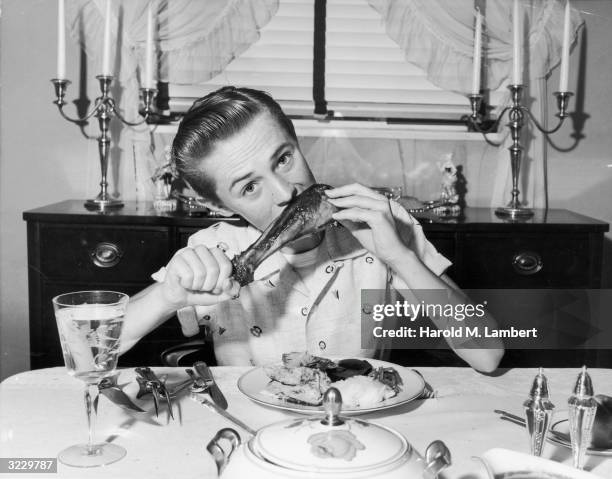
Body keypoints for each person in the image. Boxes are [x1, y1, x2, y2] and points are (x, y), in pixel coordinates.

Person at [121, 86, 504, 372]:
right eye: (249, 187)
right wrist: (168, 295)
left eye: (284, 159)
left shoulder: (383, 223)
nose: (286, 191)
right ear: (218, 205)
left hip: (358, 424)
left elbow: (487, 354)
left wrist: (400, 257)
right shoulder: (212, 248)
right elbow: (88, 352)